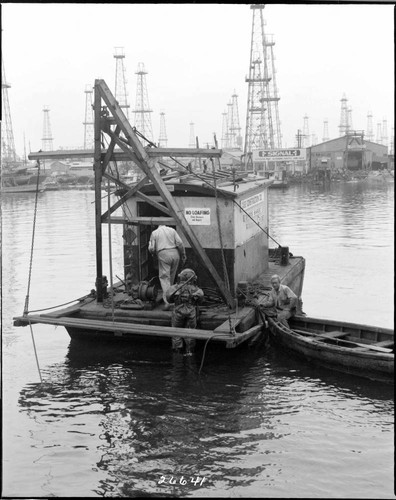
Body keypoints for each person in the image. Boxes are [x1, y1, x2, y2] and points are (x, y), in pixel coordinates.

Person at [165, 268, 204, 355]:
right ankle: (189, 351)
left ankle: (177, 351)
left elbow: (169, 299)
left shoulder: (174, 288)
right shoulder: (197, 290)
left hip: (178, 311)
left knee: (176, 331)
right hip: (191, 312)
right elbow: (200, 300)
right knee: (191, 331)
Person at [148, 225, 186, 307]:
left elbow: (151, 248)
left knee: (165, 278)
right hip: (175, 254)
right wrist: (183, 254)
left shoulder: (154, 233)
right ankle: (171, 297)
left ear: (157, 226)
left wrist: (153, 254)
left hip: (163, 254)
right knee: (171, 278)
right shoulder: (172, 230)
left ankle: (168, 302)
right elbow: (179, 243)